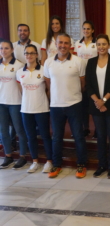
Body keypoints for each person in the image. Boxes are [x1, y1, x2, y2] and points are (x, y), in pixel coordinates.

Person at [44, 33, 87, 179]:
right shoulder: (48, 62)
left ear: (70, 45)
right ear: (56, 45)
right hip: (56, 105)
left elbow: (83, 83)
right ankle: (57, 165)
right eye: (60, 43)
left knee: (79, 136)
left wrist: (73, 95)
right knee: (57, 137)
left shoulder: (78, 61)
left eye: (66, 43)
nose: (63, 45)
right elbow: (48, 84)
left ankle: (81, 165)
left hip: (74, 104)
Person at [85, 34, 110, 179]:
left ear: (109, 45)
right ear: (96, 46)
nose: (101, 47)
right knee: (100, 136)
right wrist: (97, 101)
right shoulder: (91, 62)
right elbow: (88, 85)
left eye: (104, 44)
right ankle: (102, 165)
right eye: (99, 44)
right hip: (96, 105)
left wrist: (104, 100)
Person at [16, 44, 53, 173]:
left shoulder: (43, 70)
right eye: (27, 53)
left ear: (37, 55)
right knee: (30, 136)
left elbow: (49, 88)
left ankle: (49, 161)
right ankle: (35, 161)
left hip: (41, 108)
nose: (29, 56)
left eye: (32, 53)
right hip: (26, 109)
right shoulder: (19, 72)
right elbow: (21, 90)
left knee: (45, 136)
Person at [0, 40, 28, 169]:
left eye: (6, 48)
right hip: (1, 103)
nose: (3, 51)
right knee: (3, 131)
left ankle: (22, 156)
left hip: (15, 102)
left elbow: (22, 85)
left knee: (19, 130)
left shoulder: (19, 65)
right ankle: (8, 155)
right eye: (1, 48)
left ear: (12, 50)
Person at [74, 20, 98, 138]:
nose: (86, 31)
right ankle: (86, 128)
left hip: (94, 76)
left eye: (88, 29)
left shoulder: (97, 43)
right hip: (81, 76)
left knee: (94, 102)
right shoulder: (77, 43)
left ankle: (97, 129)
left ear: (92, 30)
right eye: (84, 28)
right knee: (83, 104)